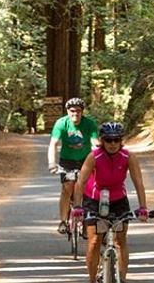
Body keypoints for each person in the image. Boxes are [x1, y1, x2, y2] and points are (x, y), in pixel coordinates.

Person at [72, 122, 149, 283]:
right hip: (94, 200)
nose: (112, 144)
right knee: (94, 241)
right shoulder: (94, 157)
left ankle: (122, 278)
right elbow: (81, 182)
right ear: (102, 140)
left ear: (121, 141)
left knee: (120, 241)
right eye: (108, 140)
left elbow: (138, 183)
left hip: (119, 200)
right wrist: (78, 207)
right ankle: (92, 280)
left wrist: (143, 207)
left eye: (116, 140)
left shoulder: (129, 157)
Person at [47, 97, 99, 234]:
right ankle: (63, 221)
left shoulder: (89, 124)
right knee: (67, 187)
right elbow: (53, 144)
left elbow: (95, 143)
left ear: (82, 112)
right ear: (67, 111)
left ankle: (88, 220)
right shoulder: (61, 123)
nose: (75, 114)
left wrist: (100, 159)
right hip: (67, 161)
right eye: (72, 111)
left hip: (85, 160)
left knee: (88, 189)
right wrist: (52, 163)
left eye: (78, 111)